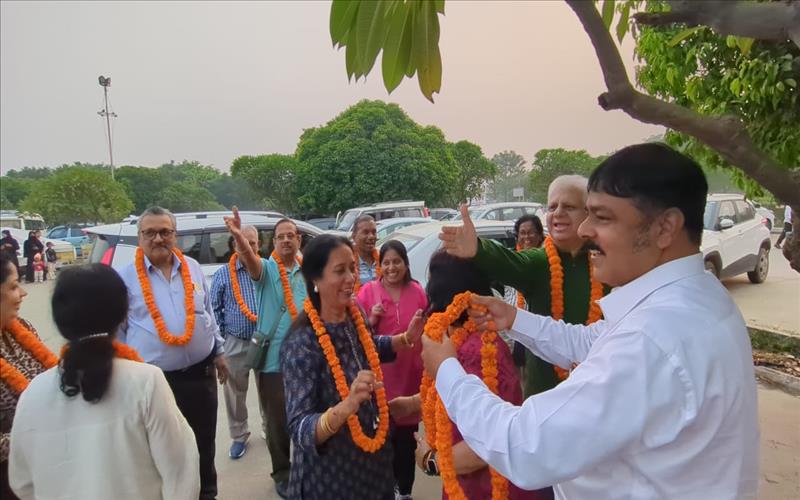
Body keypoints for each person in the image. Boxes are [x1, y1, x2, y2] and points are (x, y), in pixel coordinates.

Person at [423, 143, 759, 498]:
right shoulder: (693, 297)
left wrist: (446, 371)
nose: (584, 229)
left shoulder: (653, 337)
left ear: (665, 228)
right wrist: (514, 318)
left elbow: (525, 446)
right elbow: (592, 342)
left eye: (602, 217)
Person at [9, 263, 200, 500]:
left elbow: (22, 482)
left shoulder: (33, 393)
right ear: (122, 314)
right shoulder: (146, 381)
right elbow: (181, 470)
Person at [393, 250, 553, 500]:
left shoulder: (478, 352)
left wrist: (430, 460)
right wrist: (413, 404)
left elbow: (485, 447)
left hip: (490, 488)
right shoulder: (465, 339)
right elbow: (458, 394)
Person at [280, 234, 424, 500]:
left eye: (352, 268)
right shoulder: (301, 343)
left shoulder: (354, 312)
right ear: (315, 280)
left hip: (375, 470)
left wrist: (405, 340)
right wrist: (348, 405)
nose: (351, 278)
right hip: (332, 479)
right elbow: (300, 430)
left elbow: (368, 346)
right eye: (340, 271)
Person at [441, 176, 607, 397]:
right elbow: (510, 263)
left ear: (588, 214)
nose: (558, 212)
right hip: (546, 394)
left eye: (569, 206)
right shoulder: (540, 262)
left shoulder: (608, 264)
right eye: (552, 206)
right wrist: (479, 249)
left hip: (600, 388)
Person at [117, 206, 228, 500]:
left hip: (200, 375)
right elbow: (119, 331)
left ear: (175, 235)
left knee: (204, 443)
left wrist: (218, 351)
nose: (158, 238)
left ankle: (207, 494)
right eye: (150, 232)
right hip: (154, 382)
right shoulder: (124, 278)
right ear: (139, 237)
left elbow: (207, 314)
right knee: (161, 451)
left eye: (165, 232)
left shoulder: (191, 267)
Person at [223, 209, 305, 498]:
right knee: (277, 422)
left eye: (290, 236)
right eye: (280, 237)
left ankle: (306, 470)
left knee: (306, 418)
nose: (286, 241)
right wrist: (239, 239)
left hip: (306, 361)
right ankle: (283, 473)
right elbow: (249, 260)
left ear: (299, 240)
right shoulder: (267, 270)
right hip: (272, 361)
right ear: (273, 243)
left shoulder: (308, 270)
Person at [356, 239, 427, 500]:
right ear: (379, 266)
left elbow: (428, 328)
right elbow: (359, 336)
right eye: (386, 262)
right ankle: (387, 488)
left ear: (406, 264)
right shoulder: (367, 292)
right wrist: (373, 319)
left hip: (411, 375)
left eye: (397, 261)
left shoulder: (418, 291)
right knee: (384, 437)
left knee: (407, 439)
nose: (392, 267)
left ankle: (405, 491)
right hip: (382, 377)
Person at [0, 254, 55, 500]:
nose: (23, 293)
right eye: (13, 286)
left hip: (43, 468)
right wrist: (34, 435)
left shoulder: (21, 327)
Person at [211, 227, 265, 460]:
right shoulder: (223, 274)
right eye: (243, 242)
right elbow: (214, 310)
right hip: (236, 341)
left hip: (266, 341)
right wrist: (221, 345)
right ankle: (239, 436)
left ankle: (270, 429)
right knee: (234, 392)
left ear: (258, 246)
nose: (248, 247)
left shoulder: (267, 269)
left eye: (252, 243)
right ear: (235, 246)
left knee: (269, 389)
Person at [506, 214, 545, 369]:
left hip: (538, 331)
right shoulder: (512, 260)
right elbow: (509, 296)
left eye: (531, 232)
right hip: (514, 330)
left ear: (540, 235)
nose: (526, 237)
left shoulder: (547, 260)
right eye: (522, 233)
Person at [352, 215, 380, 293]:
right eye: (366, 232)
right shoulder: (348, 262)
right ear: (354, 236)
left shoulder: (384, 259)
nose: (371, 236)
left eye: (374, 232)